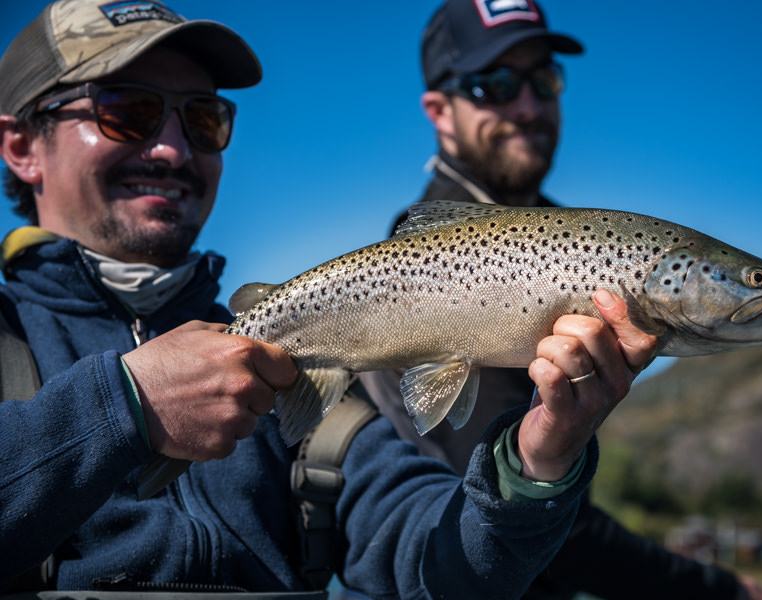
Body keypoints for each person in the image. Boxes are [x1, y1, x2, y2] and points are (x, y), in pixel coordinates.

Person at [0, 1, 659, 598]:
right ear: (22, 146)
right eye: (128, 111)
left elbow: (443, 566)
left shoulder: (292, 365)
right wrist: (124, 406)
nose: (173, 148)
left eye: (202, 118)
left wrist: (536, 464)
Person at [359, 1, 762, 599]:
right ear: (439, 112)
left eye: (544, 80)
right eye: (494, 84)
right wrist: (716, 589)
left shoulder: (578, 239)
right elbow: (538, 511)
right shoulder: (427, 275)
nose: (527, 106)